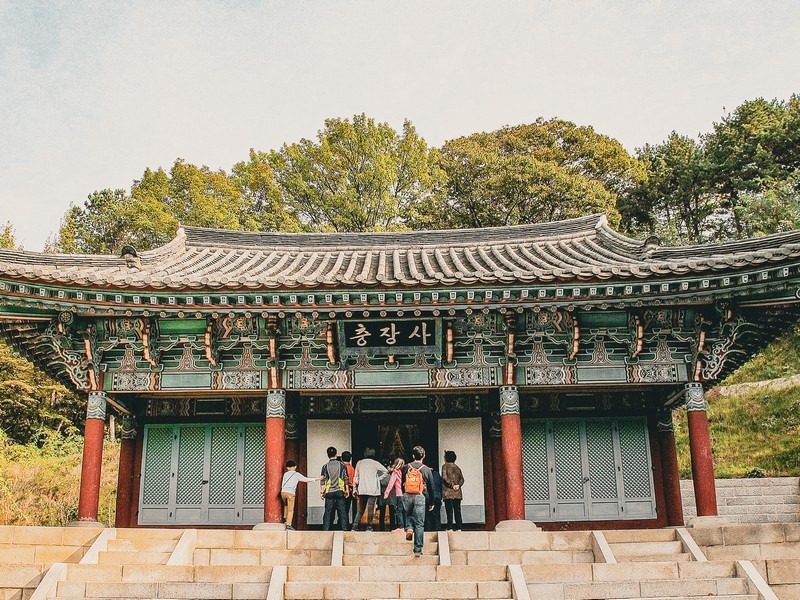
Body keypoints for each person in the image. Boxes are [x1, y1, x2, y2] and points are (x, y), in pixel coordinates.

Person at [401, 445, 435, 557]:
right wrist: (431, 502)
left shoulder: (406, 467)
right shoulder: (426, 469)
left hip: (407, 495)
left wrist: (404, 494)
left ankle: (409, 528)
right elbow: (431, 487)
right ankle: (417, 550)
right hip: (420, 496)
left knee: (409, 515)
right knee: (420, 523)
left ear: (412, 456)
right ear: (423, 456)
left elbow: (402, 483)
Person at [351, 447, 388, 531]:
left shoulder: (360, 463)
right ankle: (369, 526)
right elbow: (386, 471)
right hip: (373, 489)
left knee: (361, 509)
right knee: (371, 509)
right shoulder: (375, 463)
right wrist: (378, 478)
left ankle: (354, 526)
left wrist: (354, 488)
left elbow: (356, 476)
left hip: (362, 488)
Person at [281, 460, 321, 530]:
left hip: (283, 492)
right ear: (295, 467)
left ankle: (285, 520)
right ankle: (288, 525)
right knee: (291, 510)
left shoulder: (285, 474)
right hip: (290, 493)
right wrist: (317, 479)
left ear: (287, 467)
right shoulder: (296, 474)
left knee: (286, 506)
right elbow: (305, 479)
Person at [320, 446, 350, 531]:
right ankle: (345, 530)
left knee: (328, 512)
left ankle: (325, 529)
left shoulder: (325, 466)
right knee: (342, 512)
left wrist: (322, 491)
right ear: (336, 454)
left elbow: (323, 479)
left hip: (329, 492)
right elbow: (345, 478)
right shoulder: (342, 465)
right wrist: (347, 490)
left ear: (328, 455)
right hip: (340, 491)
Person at [441, 450, 465, 531]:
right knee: (457, 510)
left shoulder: (444, 466)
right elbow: (462, 479)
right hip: (457, 493)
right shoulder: (457, 467)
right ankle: (459, 527)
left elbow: (444, 477)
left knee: (449, 511)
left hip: (448, 493)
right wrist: (458, 485)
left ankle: (450, 527)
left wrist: (451, 485)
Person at [382, 457, 406, 533]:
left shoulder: (395, 473)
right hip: (406, 493)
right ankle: (407, 527)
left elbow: (391, 483)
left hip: (399, 494)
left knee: (399, 511)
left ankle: (401, 527)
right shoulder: (405, 472)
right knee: (405, 511)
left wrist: (386, 493)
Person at [340, 451, 357, 527]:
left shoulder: (340, 467)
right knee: (346, 509)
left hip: (340, 489)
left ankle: (340, 524)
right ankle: (345, 525)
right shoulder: (352, 468)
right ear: (350, 459)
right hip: (349, 490)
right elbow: (353, 480)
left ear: (341, 458)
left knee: (340, 509)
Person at [425, 467, 443, 532]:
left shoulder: (425, 474)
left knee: (427, 516)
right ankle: (438, 530)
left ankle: (428, 531)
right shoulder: (437, 475)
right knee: (437, 516)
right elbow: (441, 486)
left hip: (427, 497)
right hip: (437, 497)